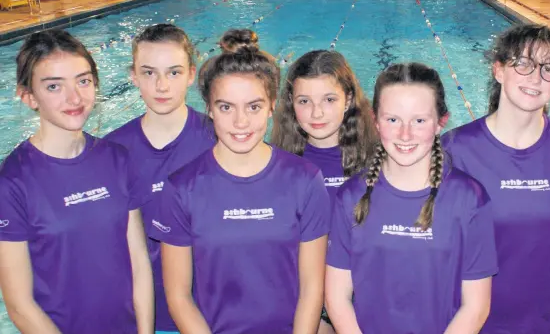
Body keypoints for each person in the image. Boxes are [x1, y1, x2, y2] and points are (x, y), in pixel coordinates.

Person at [150, 45, 330, 334]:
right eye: (226, 107)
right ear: (209, 108)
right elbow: (179, 296)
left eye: (254, 106)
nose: (241, 122)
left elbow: (312, 288)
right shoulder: (182, 187)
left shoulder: (305, 180)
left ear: (272, 106)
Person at [325, 62, 497, 334]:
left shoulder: (469, 199)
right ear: (376, 120)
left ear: (441, 122)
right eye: (393, 119)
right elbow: (336, 297)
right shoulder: (351, 197)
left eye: (419, 120)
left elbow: (475, 307)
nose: (405, 134)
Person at [0, 30, 153, 334]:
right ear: (28, 96)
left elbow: (139, 263)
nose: (74, 98)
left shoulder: (117, 159)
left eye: (83, 81)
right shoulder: (13, 181)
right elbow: (19, 304)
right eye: (54, 86)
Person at [442, 24, 550, 334]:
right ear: (499, 70)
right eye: (523, 64)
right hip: (470, 324)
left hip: (548, 323)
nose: (535, 78)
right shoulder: (456, 148)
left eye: (548, 68)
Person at [104, 24, 215, 334]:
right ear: (133, 76)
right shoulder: (112, 151)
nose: (162, 86)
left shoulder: (221, 137)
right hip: (146, 316)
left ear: (192, 75)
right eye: (149, 73)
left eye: (174, 72)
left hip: (214, 313)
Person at [272, 49, 377, 334]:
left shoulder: (379, 160)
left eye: (329, 100)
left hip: (366, 299)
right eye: (304, 101)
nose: (316, 113)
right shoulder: (275, 164)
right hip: (304, 303)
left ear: (349, 100)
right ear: (290, 104)